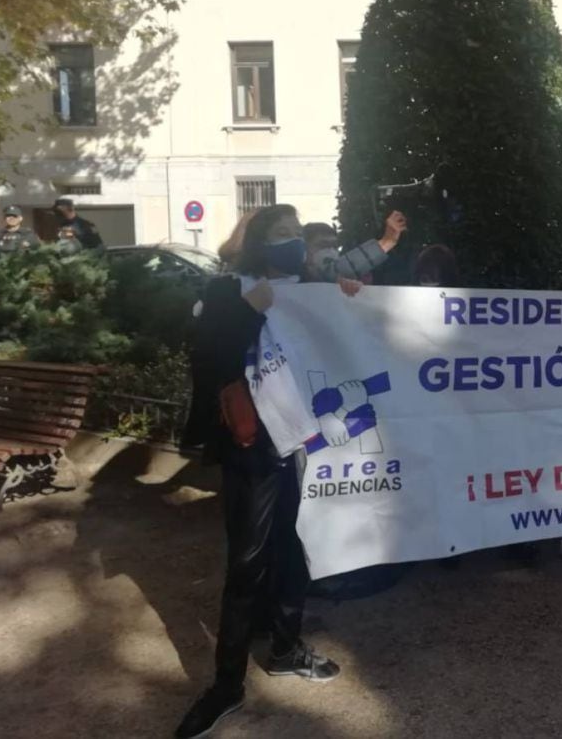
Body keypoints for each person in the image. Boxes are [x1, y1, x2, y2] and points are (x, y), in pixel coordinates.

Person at [177, 204, 355, 739]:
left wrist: (351, 299)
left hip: (300, 442)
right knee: (247, 562)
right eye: (282, 234)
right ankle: (226, 686)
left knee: (291, 547)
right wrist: (247, 312)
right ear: (259, 241)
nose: (294, 242)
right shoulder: (230, 291)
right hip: (252, 446)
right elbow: (205, 356)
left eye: (299, 234)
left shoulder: (308, 291)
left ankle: (284, 646)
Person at [305, 210, 407, 282]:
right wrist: (386, 243)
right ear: (305, 249)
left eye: (334, 246)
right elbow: (336, 271)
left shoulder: (346, 282)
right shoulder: (294, 279)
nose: (330, 250)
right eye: (323, 245)